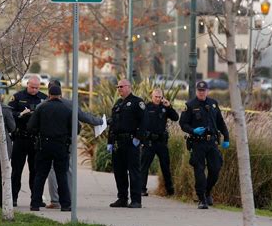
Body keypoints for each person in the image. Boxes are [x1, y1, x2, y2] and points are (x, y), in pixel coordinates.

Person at [45, 79, 103, 209]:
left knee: (52, 170)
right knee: (68, 169)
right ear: (61, 90)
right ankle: (68, 198)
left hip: (48, 142)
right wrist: (99, 121)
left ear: (48, 91)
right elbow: (84, 116)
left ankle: (55, 200)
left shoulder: (44, 104)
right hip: (67, 141)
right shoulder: (70, 104)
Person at [179, 80, 230, 209]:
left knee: (216, 169)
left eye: (204, 90)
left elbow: (220, 122)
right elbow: (183, 124)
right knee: (199, 171)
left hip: (212, 142)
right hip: (197, 143)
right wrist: (192, 130)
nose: (201, 93)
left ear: (207, 91)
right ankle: (201, 198)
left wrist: (226, 137)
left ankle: (207, 192)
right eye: (199, 90)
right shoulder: (190, 105)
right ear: (196, 91)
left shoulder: (213, 104)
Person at [27, 84, 77, 212]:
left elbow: (31, 126)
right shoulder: (67, 109)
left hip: (44, 145)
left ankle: (35, 204)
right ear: (60, 95)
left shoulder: (41, 108)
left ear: (49, 95)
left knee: (40, 175)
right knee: (62, 175)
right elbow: (77, 128)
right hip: (61, 145)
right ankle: (65, 204)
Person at [107, 79, 148, 208]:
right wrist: (110, 142)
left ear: (129, 87)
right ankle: (122, 198)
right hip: (118, 142)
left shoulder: (137, 102)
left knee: (134, 171)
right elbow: (113, 124)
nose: (119, 89)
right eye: (117, 87)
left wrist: (138, 138)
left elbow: (144, 122)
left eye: (121, 86)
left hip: (131, 142)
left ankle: (136, 200)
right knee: (119, 172)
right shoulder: (118, 104)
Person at [8, 75, 47, 207]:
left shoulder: (43, 98)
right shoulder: (18, 97)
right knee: (16, 171)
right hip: (20, 138)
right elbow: (8, 113)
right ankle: (13, 198)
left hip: (35, 140)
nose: (34, 90)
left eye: (37, 87)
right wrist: (20, 114)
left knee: (35, 171)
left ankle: (36, 199)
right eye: (32, 87)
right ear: (27, 85)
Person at [141, 88, 179, 197]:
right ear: (152, 97)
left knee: (165, 166)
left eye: (160, 97)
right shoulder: (146, 107)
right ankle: (142, 189)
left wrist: (169, 106)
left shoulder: (165, 107)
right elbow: (140, 122)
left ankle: (169, 190)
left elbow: (175, 118)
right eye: (156, 97)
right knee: (144, 165)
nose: (158, 99)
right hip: (149, 142)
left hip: (161, 142)